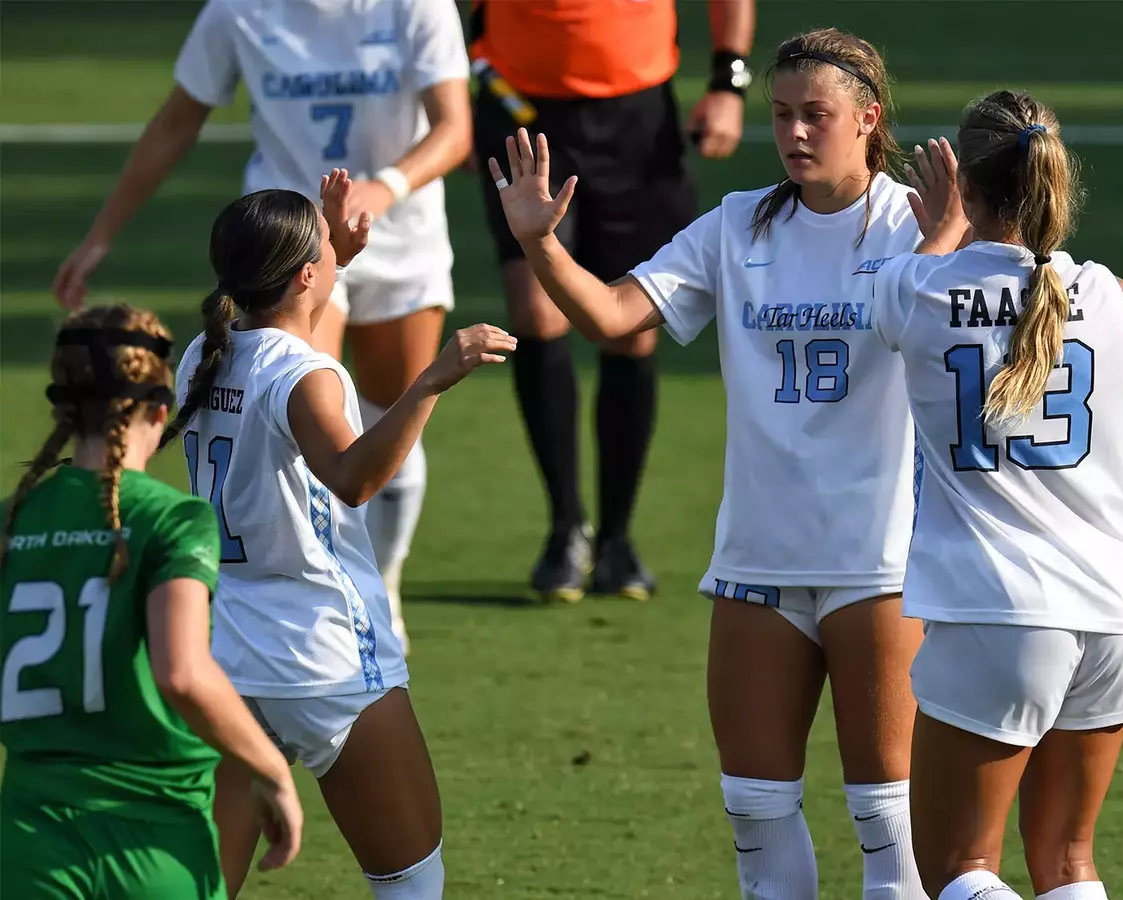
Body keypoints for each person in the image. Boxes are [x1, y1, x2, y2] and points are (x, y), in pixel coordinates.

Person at [492, 28, 972, 900]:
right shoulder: (735, 224)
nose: (793, 133)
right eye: (781, 114)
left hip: (881, 565)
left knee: (886, 821)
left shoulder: (922, 224)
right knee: (755, 813)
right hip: (757, 561)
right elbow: (608, 318)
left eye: (815, 115)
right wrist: (540, 245)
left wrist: (946, 246)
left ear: (868, 119)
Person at [870, 90, 1123, 900]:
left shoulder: (912, 289)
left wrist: (940, 230)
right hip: (1109, 619)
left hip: (993, 614)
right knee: (1069, 870)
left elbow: (918, 294)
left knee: (961, 871)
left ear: (964, 182)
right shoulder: (1108, 294)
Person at [54, 0, 473, 652]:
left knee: (388, 410)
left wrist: (382, 189)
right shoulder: (238, 10)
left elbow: (454, 129)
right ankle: (302, 595)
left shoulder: (415, 6)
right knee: (309, 409)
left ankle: (379, 581)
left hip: (402, 237)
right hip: (290, 255)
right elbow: (174, 123)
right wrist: (100, 236)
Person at [167, 170, 514, 898]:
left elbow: (286, 350)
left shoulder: (201, 357)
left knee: (203, 888)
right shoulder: (306, 374)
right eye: (327, 250)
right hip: (324, 658)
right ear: (302, 277)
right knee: (411, 881)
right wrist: (429, 383)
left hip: (226, 654)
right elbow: (353, 478)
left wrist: (337, 263)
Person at [0, 305, 303, 899]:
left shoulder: (12, 520)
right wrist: (271, 772)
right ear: (163, 410)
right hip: (154, 838)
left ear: (63, 406)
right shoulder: (171, 518)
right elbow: (183, 674)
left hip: (30, 836)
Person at [470, 0, 754, 602]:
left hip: (636, 113)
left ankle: (618, 540)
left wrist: (728, 79)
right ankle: (566, 525)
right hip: (518, 102)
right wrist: (465, 71)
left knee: (632, 325)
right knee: (536, 312)